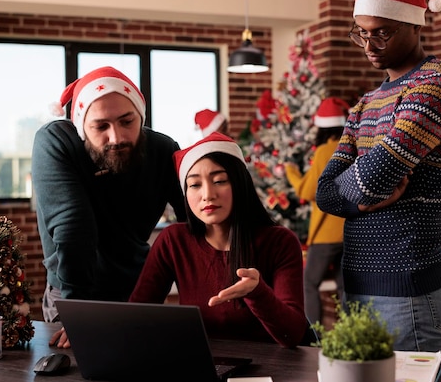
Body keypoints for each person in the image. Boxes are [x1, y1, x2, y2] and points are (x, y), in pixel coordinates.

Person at [316, 0, 441, 355]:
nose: (370, 45)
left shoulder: (436, 85)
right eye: (362, 33)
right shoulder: (366, 103)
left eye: (382, 32)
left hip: (408, 290)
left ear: (415, 24)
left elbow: (374, 179)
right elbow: (325, 193)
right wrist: (355, 192)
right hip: (356, 284)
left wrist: (357, 191)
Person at [32, 66, 186, 348]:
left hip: (140, 289)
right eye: (101, 126)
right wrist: (78, 310)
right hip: (73, 290)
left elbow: (196, 223)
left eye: (127, 122)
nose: (117, 137)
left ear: (141, 117)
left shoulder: (163, 150)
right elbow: (73, 225)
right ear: (80, 126)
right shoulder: (56, 142)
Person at [129, 132, 308, 348]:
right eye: (194, 185)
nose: (207, 194)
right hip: (200, 366)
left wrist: (257, 292)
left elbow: (294, 333)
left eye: (220, 181)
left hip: (268, 370)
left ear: (240, 184)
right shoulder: (174, 240)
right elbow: (137, 314)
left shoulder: (280, 242)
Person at [284, 97, 349, 325]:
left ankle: (313, 335)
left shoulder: (323, 152)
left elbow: (308, 191)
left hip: (325, 234)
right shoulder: (352, 148)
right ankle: (351, 332)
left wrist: (291, 171)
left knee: (308, 283)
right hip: (349, 229)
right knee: (345, 286)